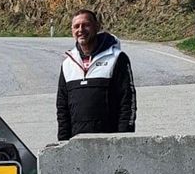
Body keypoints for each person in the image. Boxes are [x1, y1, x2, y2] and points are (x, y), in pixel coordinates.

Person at [57, 9, 136, 141]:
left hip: (110, 142)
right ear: (72, 31)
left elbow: (127, 101)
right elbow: (62, 108)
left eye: (86, 25)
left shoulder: (117, 58)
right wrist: (63, 142)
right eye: (76, 26)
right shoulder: (67, 64)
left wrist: (124, 138)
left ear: (97, 27)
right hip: (76, 143)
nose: (80, 30)